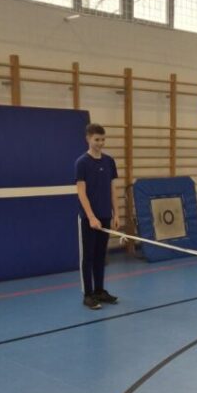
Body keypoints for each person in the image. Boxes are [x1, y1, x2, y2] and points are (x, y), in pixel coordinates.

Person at [75, 123, 121, 310]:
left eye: (103, 139)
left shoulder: (109, 161)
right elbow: (81, 192)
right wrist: (91, 217)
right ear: (88, 139)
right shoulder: (82, 163)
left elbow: (112, 189)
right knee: (88, 257)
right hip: (89, 219)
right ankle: (88, 294)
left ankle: (100, 290)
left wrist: (116, 213)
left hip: (105, 216)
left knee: (101, 256)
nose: (100, 143)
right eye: (97, 140)